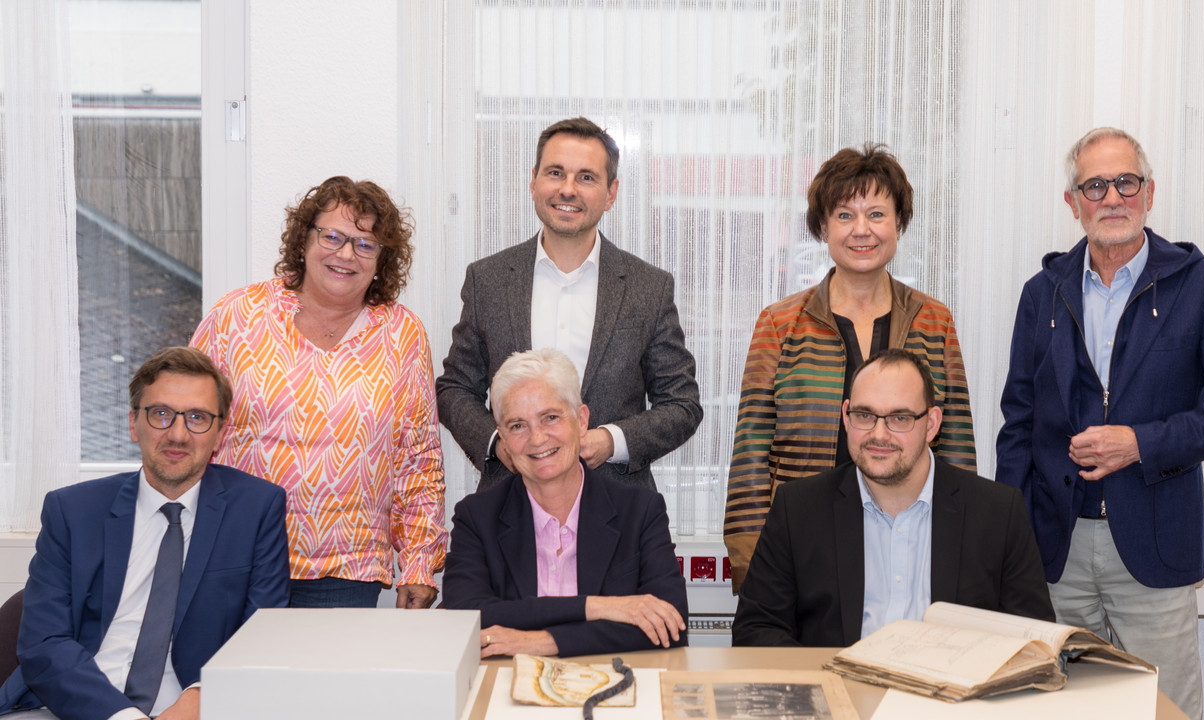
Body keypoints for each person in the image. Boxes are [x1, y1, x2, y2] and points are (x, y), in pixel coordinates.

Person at [996, 127, 1204, 719]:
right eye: (1095, 185)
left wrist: (1141, 443)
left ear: (1149, 193)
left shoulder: (1203, 286)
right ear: (1073, 202)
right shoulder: (1042, 294)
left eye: (1126, 182)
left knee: (1163, 710)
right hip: (1055, 550)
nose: (1112, 197)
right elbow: (1017, 422)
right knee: (1057, 711)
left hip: (1155, 548)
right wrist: (1008, 539)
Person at [724, 144, 975, 592]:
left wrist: (961, 546)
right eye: (844, 215)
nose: (862, 230)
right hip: (803, 543)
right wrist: (751, 561)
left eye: (877, 214)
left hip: (909, 539)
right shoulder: (780, 324)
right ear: (822, 227)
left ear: (899, 224)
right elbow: (750, 450)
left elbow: (956, 444)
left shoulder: (934, 321)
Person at [190, 176, 445, 609]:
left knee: (326, 679)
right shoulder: (237, 315)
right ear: (304, 239)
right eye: (333, 236)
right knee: (231, 677)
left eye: (366, 244)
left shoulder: (403, 334)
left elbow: (418, 459)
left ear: (383, 259)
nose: (346, 253)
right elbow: (189, 423)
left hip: (347, 569)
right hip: (235, 553)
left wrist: (420, 565)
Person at [0, 347, 289, 720]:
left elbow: (262, 633)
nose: (178, 435)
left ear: (220, 433)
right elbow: (44, 643)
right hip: (72, 705)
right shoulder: (72, 511)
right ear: (133, 423)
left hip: (190, 707)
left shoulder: (256, 508)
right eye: (161, 414)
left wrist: (201, 698)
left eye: (198, 417)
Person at [436, 117, 702, 492]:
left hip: (617, 510)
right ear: (533, 182)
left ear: (611, 193)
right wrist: (501, 446)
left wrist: (611, 441)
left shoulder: (649, 287)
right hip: (509, 509)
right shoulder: (489, 280)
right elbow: (455, 389)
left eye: (587, 178)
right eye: (556, 173)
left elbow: (682, 405)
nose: (568, 189)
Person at [733, 349, 1053, 647]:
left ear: (932, 424)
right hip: (841, 698)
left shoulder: (997, 513)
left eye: (900, 418)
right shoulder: (797, 509)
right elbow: (757, 629)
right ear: (845, 416)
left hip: (950, 703)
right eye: (864, 415)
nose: (879, 435)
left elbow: (1033, 638)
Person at [440, 349, 688, 657]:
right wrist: (598, 607)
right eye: (518, 425)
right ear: (501, 436)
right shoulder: (477, 518)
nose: (537, 438)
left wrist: (544, 642)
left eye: (551, 418)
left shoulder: (640, 511)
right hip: (507, 689)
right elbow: (464, 616)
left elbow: (671, 624)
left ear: (581, 420)